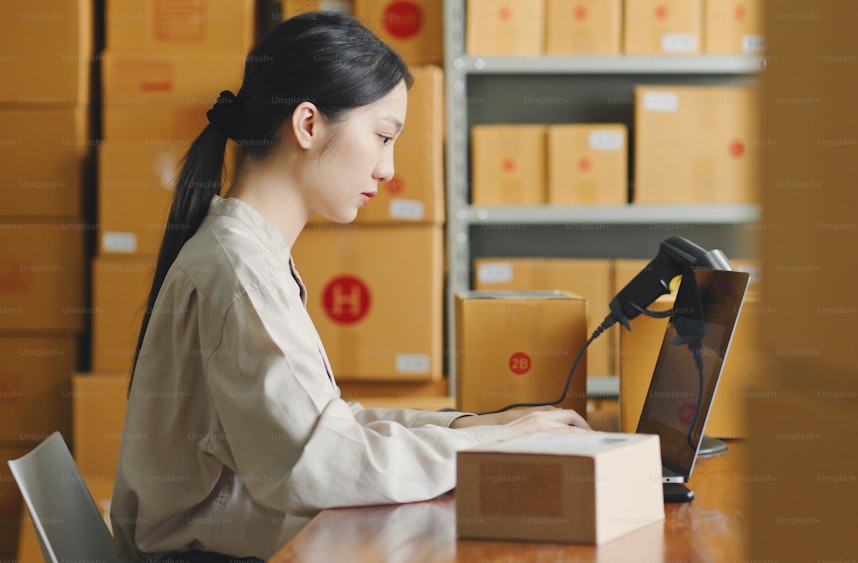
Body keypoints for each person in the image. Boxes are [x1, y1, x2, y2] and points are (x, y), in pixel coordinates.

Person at [109, 12, 591, 563]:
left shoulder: (245, 254)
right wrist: (492, 445)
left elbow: (328, 426)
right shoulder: (237, 269)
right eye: (383, 136)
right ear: (308, 125)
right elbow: (316, 464)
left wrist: (481, 426)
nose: (388, 170)